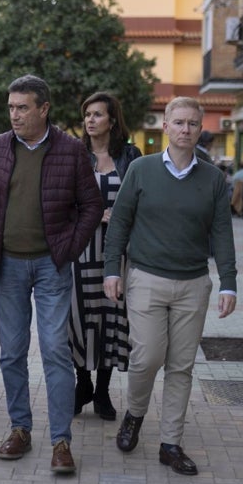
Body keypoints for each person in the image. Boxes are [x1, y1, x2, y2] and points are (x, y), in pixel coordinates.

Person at [0, 75, 103, 476]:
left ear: (44, 109)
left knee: (55, 350)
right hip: (6, 265)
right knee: (11, 352)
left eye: (23, 107)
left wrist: (68, 248)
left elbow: (90, 206)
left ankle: (61, 440)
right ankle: (20, 429)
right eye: (11, 107)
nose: (15, 115)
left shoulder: (71, 150)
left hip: (50, 265)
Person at [103, 96, 237, 476]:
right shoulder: (142, 170)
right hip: (146, 278)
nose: (185, 129)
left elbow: (222, 233)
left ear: (199, 129)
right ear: (165, 127)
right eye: (178, 122)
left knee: (181, 367)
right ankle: (135, 412)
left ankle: (170, 443)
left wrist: (229, 283)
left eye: (192, 124)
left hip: (194, 283)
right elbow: (120, 224)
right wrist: (112, 270)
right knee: (146, 357)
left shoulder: (212, 179)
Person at [71, 91, 141, 422]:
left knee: (112, 319)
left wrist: (122, 216)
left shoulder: (130, 156)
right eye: (87, 114)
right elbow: (61, 203)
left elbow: (141, 200)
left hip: (117, 252)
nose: (90, 120)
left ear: (112, 120)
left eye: (97, 114)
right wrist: (92, 214)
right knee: (79, 319)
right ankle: (81, 384)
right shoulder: (74, 154)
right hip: (82, 251)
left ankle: (102, 391)